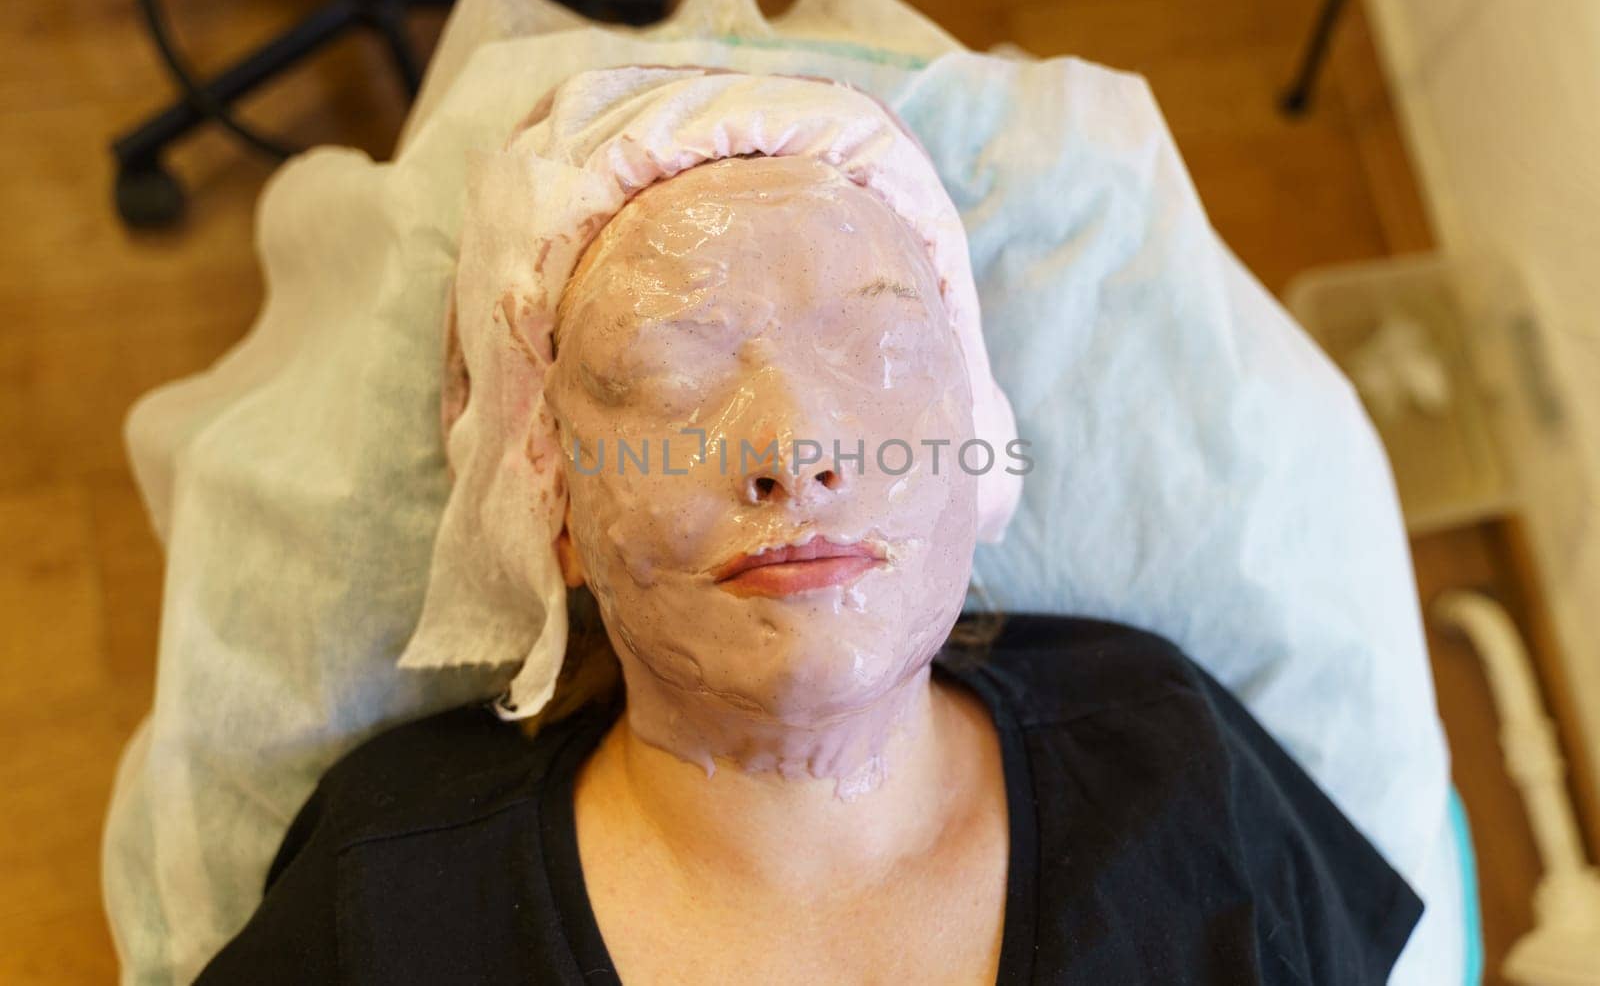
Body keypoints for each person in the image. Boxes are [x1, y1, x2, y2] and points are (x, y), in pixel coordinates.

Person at [196, 73, 1420, 985]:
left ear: (973, 434)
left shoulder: (1163, 751)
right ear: (544, 501)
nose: (795, 450)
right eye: (666, 374)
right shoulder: (394, 886)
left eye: (878, 349)